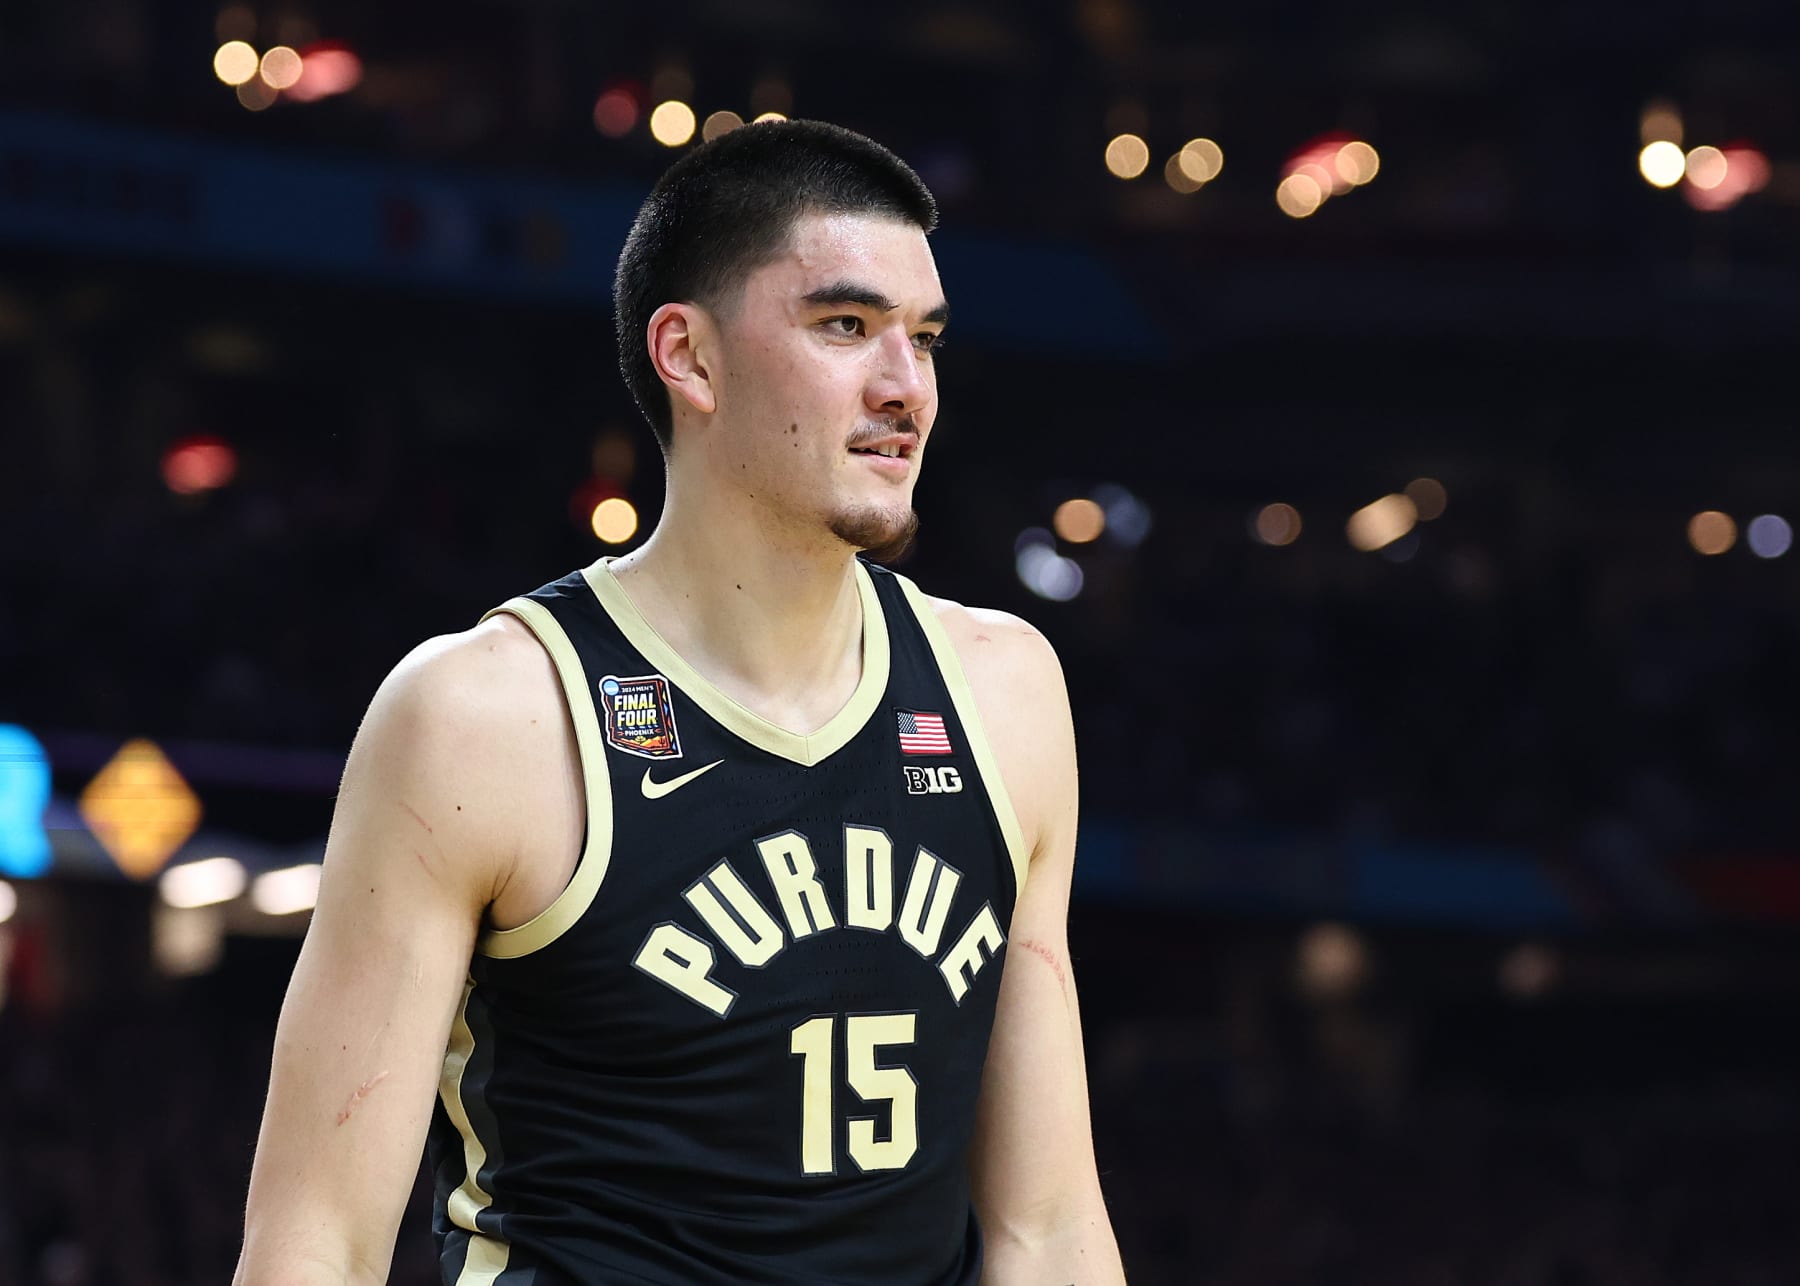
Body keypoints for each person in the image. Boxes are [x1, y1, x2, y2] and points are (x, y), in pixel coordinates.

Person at [235, 119, 1124, 1286]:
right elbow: (319, 1242)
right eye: (846, 325)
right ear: (690, 357)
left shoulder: (1005, 691)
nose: (906, 386)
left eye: (925, 338)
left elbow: (1046, 1226)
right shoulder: (484, 717)